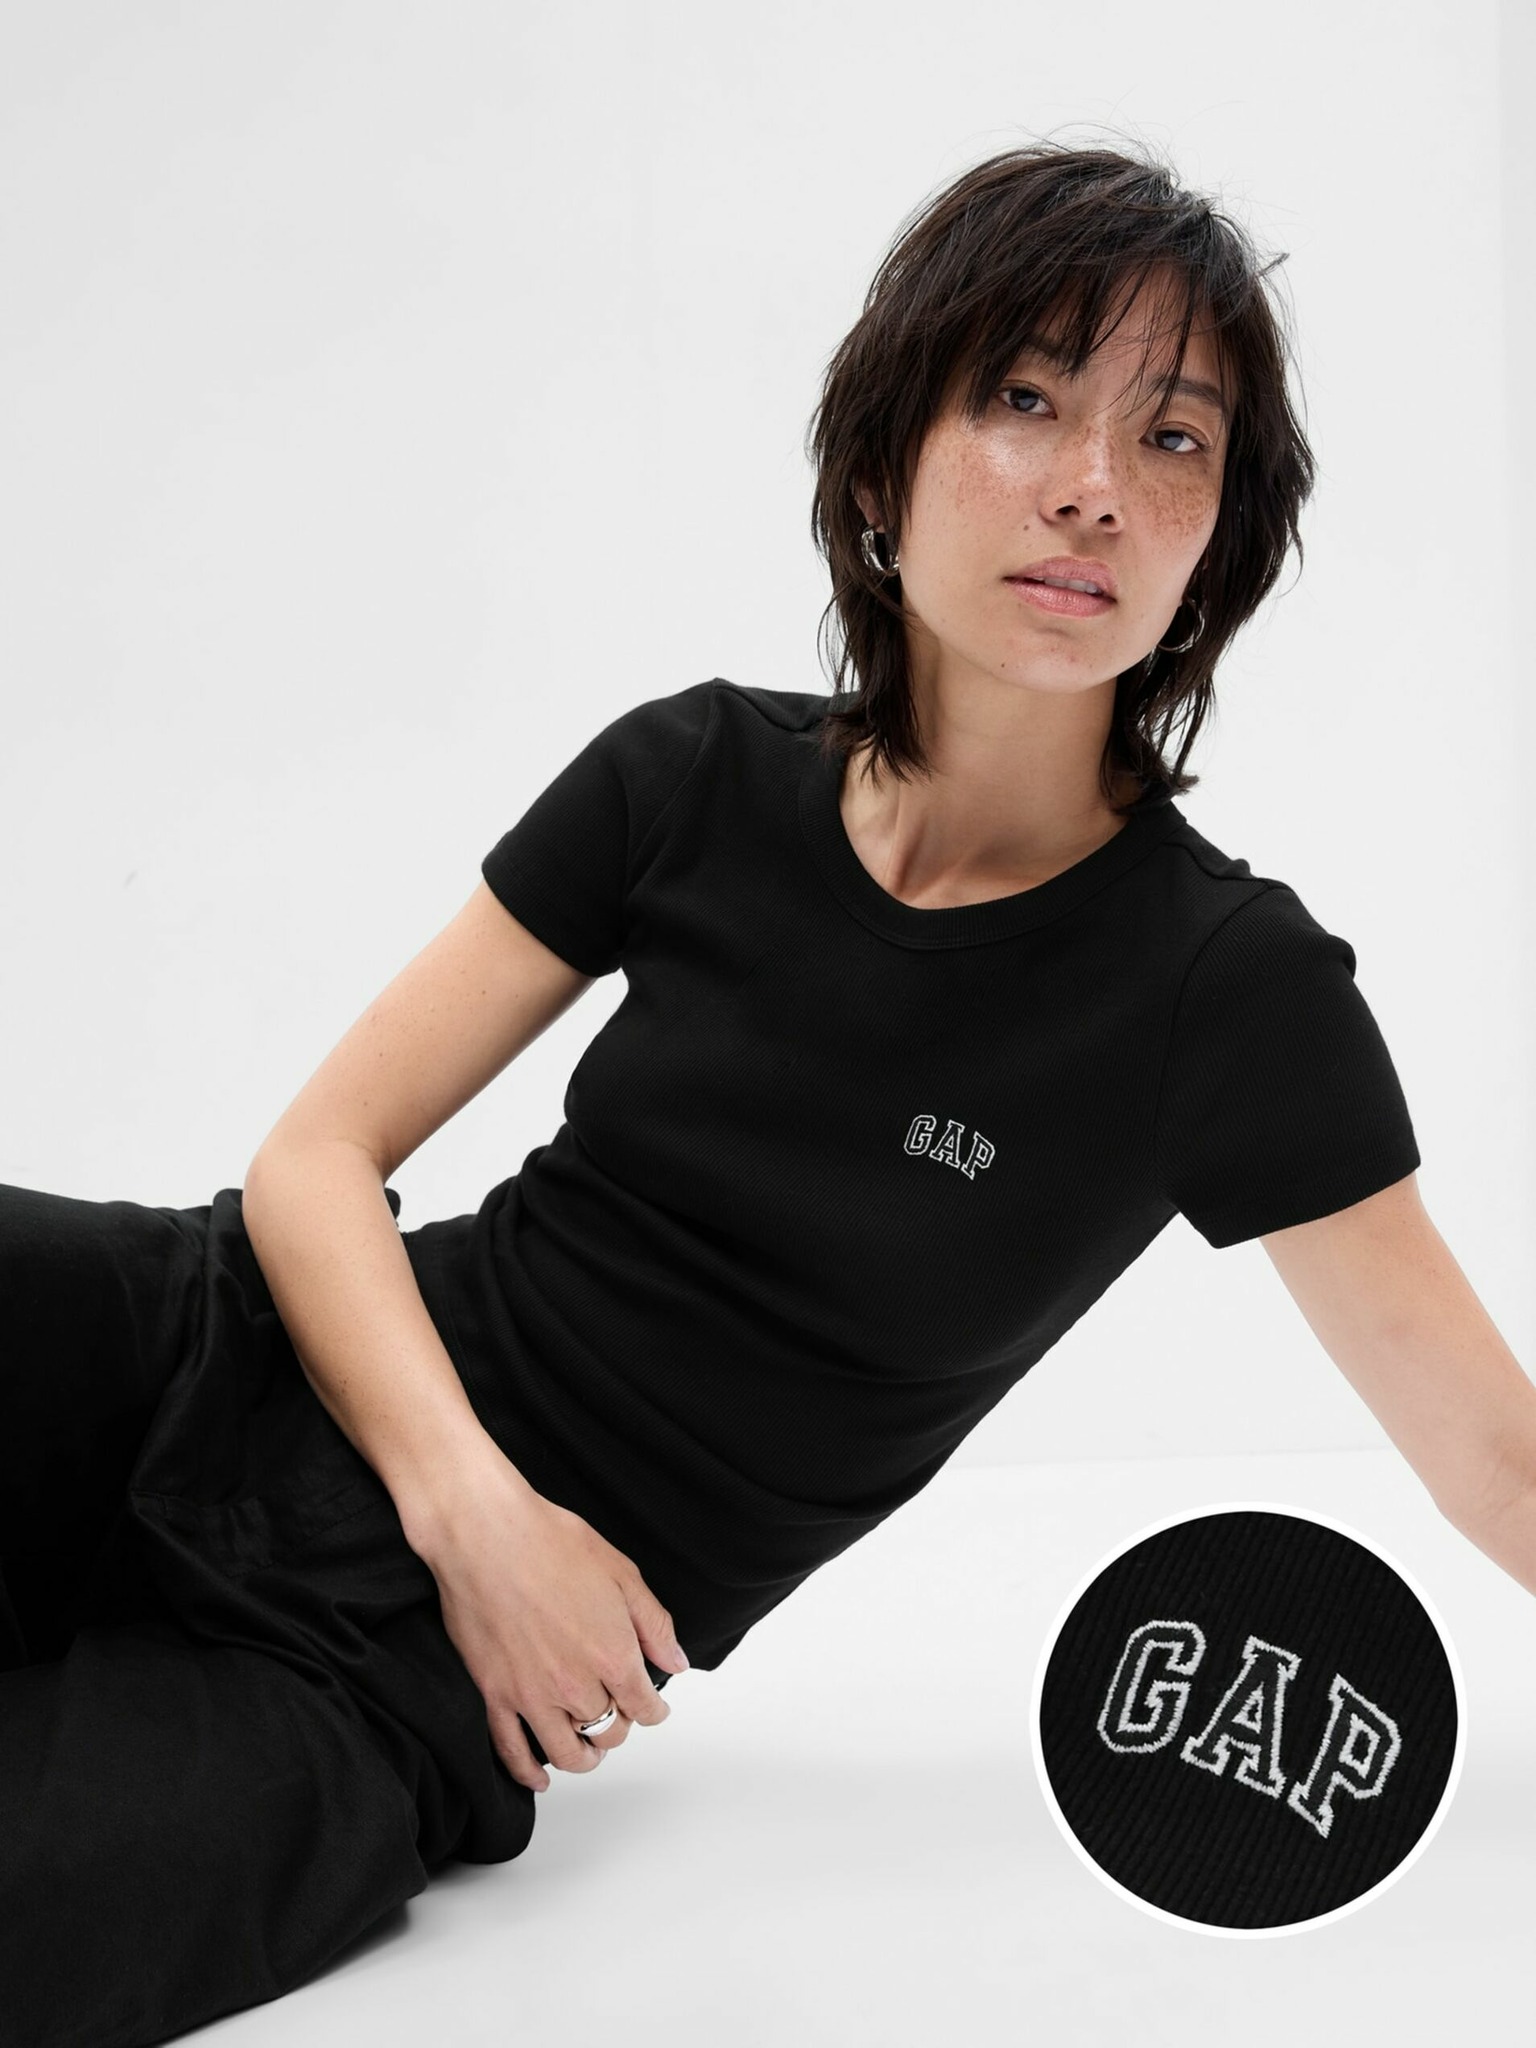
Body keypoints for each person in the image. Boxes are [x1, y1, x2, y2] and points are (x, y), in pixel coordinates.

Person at [5, 137, 1532, 2047]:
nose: (1091, 485)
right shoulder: (693, 778)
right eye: (1025, 398)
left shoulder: (1229, 994)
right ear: (883, 467)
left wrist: (468, 1575)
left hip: (380, 1676)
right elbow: (314, 1163)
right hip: (211, 1352)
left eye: (1174, 439)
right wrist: (480, 1517)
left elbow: (1496, 1459)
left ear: (1217, 540)